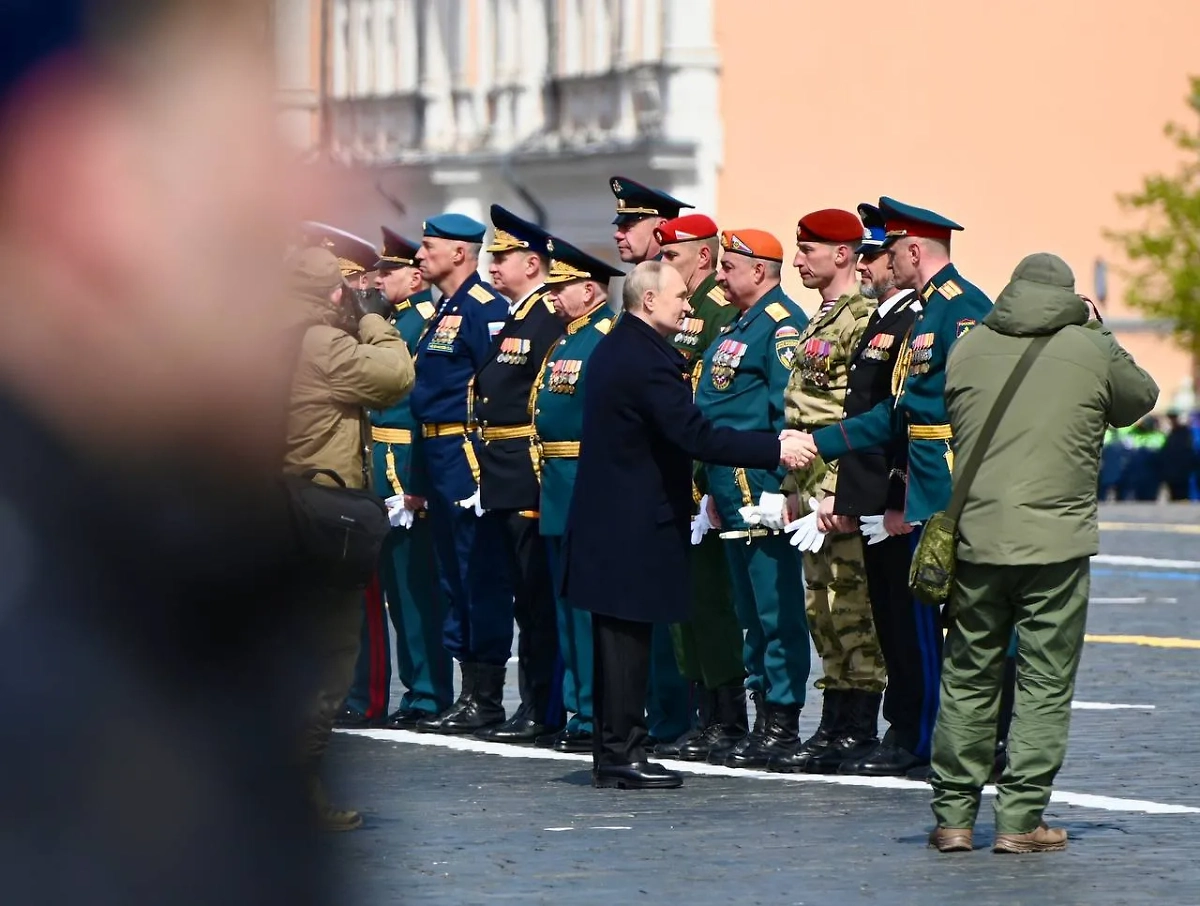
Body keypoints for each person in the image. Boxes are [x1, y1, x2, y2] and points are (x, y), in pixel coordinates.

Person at [928, 253, 1158, 854]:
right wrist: (1098, 328)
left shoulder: (969, 346)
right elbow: (1139, 400)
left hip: (976, 537)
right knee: (1043, 679)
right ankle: (1019, 820)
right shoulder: (1089, 348)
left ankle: (953, 817)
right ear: (1069, 298)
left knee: (968, 675)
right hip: (1055, 544)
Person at [563, 260, 814, 790]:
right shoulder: (644, 358)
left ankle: (614, 752)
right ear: (649, 300)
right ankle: (623, 754)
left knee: (618, 641)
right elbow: (694, 434)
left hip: (613, 518)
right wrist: (773, 445)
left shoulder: (624, 345)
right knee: (626, 642)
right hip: (630, 522)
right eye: (678, 295)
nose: (687, 303)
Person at [790, 197, 994, 778]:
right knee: (916, 629)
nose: (874, 262)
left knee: (940, 628)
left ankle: (935, 738)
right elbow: (896, 413)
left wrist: (905, 495)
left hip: (943, 482)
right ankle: (920, 734)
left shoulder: (959, 311)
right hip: (920, 483)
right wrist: (822, 444)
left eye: (888, 250)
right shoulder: (925, 312)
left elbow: (958, 414)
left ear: (911, 251)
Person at [282, 246, 414, 830]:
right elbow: (395, 377)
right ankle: (297, 788)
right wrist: (372, 316)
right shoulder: (316, 342)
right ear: (335, 292)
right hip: (318, 513)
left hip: (270, 508)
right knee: (331, 655)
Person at [768, 208, 881, 775]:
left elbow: (855, 414)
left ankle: (858, 724)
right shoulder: (824, 319)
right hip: (810, 484)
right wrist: (794, 491)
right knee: (822, 608)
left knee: (850, 604)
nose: (797, 261)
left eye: (807, 250)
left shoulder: (861, 318)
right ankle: (834, 719)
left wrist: (842, 494)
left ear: (843, 254)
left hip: (836, 486)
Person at [693, 228, 811, 768]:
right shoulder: (740, 324)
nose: (719, 276)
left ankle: (781, 720)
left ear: (759, 270)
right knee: (748, 611)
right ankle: (761, 710)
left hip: (760, 486)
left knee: (775, 608)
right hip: (727, 484)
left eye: (728, 267)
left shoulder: (781, 327)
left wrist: (786, 489)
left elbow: (787, 413)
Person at [337, 227, 453, 731]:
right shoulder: (392, 322)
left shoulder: (420, 323)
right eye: (377, 273)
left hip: (404, 469)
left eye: (390, 272)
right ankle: (412, 690)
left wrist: (414, 482)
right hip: (376, 466)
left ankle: (427, 692)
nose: (379, 282)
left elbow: (418, 407)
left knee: (414, 591)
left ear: (412, 275)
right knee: (389, 589)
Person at [651, 213, 749, 762]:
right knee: (688, 604)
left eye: (672, 255)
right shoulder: (685, 313)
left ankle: (728, 715)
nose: (666, 265)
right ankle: (705, 709)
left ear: (703, 258)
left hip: (707, 477)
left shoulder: (715, 314)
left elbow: (714, 405)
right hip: (680, 474)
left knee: (715, 603)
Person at [607, 175, 701, 746]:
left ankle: (677, 712)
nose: (620, 233)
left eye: (631, 224)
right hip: (643, 491)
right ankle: (644, 720)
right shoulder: (635, 320)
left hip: (685, 487)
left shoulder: (682, 307)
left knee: (673, 616)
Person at [832, 205, 924, 778]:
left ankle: (911, 729)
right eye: (865, 255)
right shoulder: (881, 320)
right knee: (888, 619)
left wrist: (895, 500)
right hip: (870, 498)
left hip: (893, 502)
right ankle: (903, 727)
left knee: (905, 621)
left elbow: (903, 422)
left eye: (876, 255)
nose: (868, 266)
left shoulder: (912, 320)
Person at [409, 214, 511, 734]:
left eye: (428, 247)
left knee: (479, 570)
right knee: (452, 573)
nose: (418, 257)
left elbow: (497, 383)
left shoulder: (485, 308)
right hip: (437, 450)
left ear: (459, 253)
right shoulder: (443, 309)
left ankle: (486, 696)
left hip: (466, 449)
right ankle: (469, 688)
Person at [470, 205, 566, 743]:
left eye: (501, 256)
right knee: (522, 598)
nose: (492, 266)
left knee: (537, 597)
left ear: (532, 263)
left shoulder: (546, 318)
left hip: (528, 472)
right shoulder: (518, 316)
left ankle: (543, 705)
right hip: (503, 473)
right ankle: (533, 702)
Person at [530, 237, 624, 753]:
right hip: (557, 485)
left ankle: (597, 709)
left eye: (562, 288)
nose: (554, 297)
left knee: (589, 606)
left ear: (590, 290)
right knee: (568, 606)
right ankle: (578, 706)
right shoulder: (567, 339)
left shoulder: (605, 338)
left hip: (587, 481)